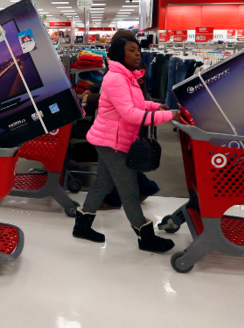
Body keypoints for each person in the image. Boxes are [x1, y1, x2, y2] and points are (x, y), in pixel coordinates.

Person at [73, 35, 181, 253]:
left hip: (112, 139)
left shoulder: (126, 77)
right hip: (112, 142)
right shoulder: (116, 79)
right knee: (129, 189)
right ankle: (145, 236)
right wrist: (168, 116)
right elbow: (130, 114)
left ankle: (82, 226)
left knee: (103, 184)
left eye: (137, 50)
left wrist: (154, 107)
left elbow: (137, 104)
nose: (137, 54)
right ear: (119, 53)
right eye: (131, 50)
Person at [80, 29, 161, 209]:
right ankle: (145, 188)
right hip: (120, 126)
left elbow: (124, 100)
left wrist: (91, 98)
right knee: (121, 164)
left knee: (120, 164)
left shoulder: (134, 70)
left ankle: (117, 199)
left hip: (127, 126)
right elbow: (107, 86)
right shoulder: (122, 67)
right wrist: (92, 88)